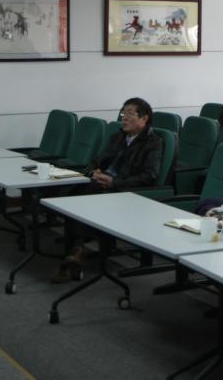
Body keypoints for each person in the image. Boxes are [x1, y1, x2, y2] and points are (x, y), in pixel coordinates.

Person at [54, 97, 163, 282]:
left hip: (124, 190)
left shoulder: (153, 142)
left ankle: (75, 252)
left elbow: (149, 176)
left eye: (130, 114)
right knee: (73, 196)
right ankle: (75, 252)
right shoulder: (117, 137)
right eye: (123, 113)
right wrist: (93, 172)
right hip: (101, 183)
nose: (124, 118)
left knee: (86, 199)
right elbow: (96, 161)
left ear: (144, 119)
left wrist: (114, 182)